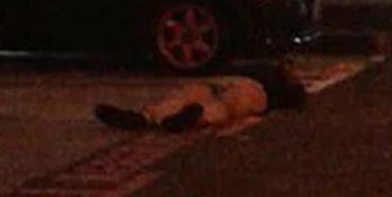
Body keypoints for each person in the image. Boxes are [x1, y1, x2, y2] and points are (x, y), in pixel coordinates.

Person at [93, 63, 306, 133]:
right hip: (251, 87)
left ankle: (147, 117)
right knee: (226, 105)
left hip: (226, 78)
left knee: (187, 95)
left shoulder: (258, 65)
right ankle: (195, 116)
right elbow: (296, 97)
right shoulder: (276, 78)